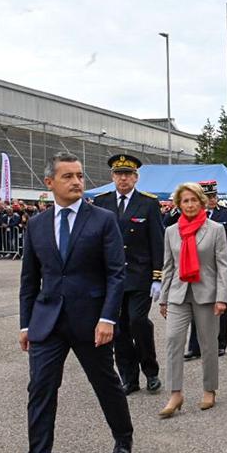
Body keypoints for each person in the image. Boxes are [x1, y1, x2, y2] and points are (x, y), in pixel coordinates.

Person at [7, 152, 133, 453]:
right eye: (68, 177)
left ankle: (123, 437)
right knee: (40, 392)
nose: (77, 181)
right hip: (47, 323)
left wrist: (108, 318)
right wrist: (25, 324)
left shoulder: (103, 220)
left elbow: (116, 273)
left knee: (105, 383)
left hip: (92, 322)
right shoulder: (37, 225)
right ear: (49, 183)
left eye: (79, 175)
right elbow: (30, 279)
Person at [93, 154, 164, 395]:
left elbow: (157, 241)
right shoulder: (101, 202)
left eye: (128, 174)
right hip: (112, 278)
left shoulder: (148, 203)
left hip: (140, 275)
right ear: (112, 177)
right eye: (118, 174)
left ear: (136, 178)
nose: (123, 178)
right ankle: (128, 376)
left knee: (137, 321)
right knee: (119, 329)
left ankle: (151, 371)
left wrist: (158, 276)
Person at [158, 182, 227, 418]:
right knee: (172, 341)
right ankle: (175, 393)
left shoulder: (216, 229)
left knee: (208, 344)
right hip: (178, 294)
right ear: (178, 204)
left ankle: (209, 389)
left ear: (201, 202)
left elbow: (223, 266)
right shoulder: (171, 231)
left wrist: (222, 298)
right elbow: (168, 267)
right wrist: (163, 298)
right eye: (185, 201)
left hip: (207, 295)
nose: (189, 205)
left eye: (193, 200)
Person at [185, 180, 227, 359]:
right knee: (194, 303)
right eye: (208, 197)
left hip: (218, 266)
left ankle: (220, 342)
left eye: (214, 196)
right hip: (196, 266)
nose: (212, 200)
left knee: (219, 304)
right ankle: (194, 346)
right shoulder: (192, 215)